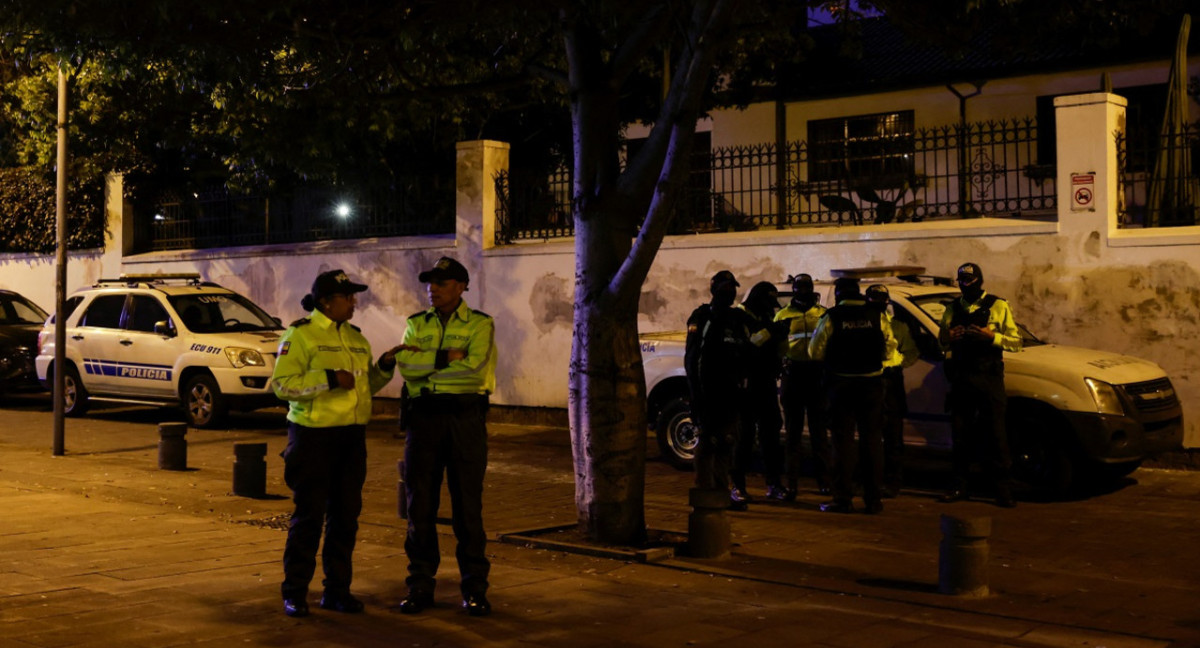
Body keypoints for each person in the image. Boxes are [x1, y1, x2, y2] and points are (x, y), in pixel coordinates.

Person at [272, 269, 398, 618]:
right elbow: (283, 385)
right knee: (309, 518)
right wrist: (328, 378)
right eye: (348, 297)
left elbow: (362, 387)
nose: (354, 302)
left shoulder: (356, 339)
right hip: (314, 438)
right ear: (326, 302)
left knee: (345, 519)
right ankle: (295, 592)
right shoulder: (301, 335)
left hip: (351, 439)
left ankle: (337, 591)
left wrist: (384, 367)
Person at [393, 256, 498, 617]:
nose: (431, 289)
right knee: (419, 507)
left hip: (464, 418)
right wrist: (444, 358)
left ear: (460, 286)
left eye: (440, 282)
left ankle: (474, 589)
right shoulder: (415, 323)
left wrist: (428, 376)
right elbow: (406, 367)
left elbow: (474, 369)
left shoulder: (481, 324)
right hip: (423, 421)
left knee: (468, 509)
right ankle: (420, 585)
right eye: (429, 282)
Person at [808, 277, 896, 514]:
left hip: (842, 385)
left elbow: (815, 352)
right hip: (872, 385)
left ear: (838, 294)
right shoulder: (878, 315)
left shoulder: (831, 316)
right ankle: (873, 500)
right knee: (872, 441)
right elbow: (890, 349)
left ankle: (843, 498)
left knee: (843, 442)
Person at [938, 262, 1022, 508]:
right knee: (960, 434)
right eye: (962, 281)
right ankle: (960, 486)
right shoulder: (952, 308)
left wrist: (991, 337)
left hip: (988, 378)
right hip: (962, 378)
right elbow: (941, 341)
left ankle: (1002, 490)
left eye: (970, 281)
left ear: (980, 281)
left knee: (996, 435)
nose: (966, 285)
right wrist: (948, 337)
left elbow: (1016, 342)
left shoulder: (998, 305)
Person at [684, 270, 753, 509]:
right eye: (725, 288)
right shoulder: (703, 317)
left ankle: (721, 493)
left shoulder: (738, 319)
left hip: (731, 395)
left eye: (732, 288)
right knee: (707, 442)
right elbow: (693, 359)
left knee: (726, 443)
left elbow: (748, 352)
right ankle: (705, 493)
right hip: (707, 393)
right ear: (715, 290)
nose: (730, 293)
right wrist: (696, 394)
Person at [773, 273, 830, 499]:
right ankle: (792, 484)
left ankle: (824, 482)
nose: (803, 291)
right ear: (794, 290)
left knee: (819, 435)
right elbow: (774, 345)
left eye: (807, 287)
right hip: (794, 375)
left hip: (816, 375)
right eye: (800, 287)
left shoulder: (823, 314)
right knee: (793, 435)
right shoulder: (783, 315)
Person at [732, 281, 788, 504]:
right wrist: (771, 331)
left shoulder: (764, 316)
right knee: (744, 437)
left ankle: (773, 483)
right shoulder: (739, 317)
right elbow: (746, 347)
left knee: (771, 436)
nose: (770, 309)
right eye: (767, 304)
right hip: (746, 386)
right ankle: (738, 485)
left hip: (765, 384)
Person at [865, 284, 919, 498]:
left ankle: (892, 481)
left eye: (880, 301)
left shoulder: (898, 327)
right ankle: (872, 480)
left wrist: (895, 364)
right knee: (870, 435)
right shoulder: (864, 324)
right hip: (869, 381)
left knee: (893, 437)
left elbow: (911, 352)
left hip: (889, 383)